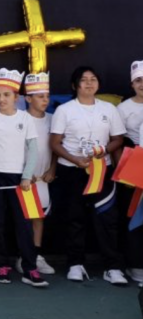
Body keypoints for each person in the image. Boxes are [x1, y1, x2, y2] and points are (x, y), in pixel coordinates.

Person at [50, 66, 128, 285]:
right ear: (75, 85)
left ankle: (112, 267)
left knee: (107, 218)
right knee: (74, 217)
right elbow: (54, 143)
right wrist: (76, 160)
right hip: (72, 170)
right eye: (83, 80)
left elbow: (118, 139)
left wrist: (104, 150)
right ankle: (75, 264)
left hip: (102, 170)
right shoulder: (65, 110)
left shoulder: (109, 109)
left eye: (93, 79)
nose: (89, 83)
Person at [0, 69, 46, 288]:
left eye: (6, 95)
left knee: (23, 225)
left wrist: (26, 175)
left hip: (19, 178)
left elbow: (33, 150)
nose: (1, 99)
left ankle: (29, 267)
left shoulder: (25, 118)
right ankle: (1, 266)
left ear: (17, 97)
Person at [22, 72, 57, 275]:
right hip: (25, 179)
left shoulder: (53, 119)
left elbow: (55, 147)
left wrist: (52, 168)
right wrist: (25, 174)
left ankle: (36, 255)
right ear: (28, 98)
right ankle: (24, 256)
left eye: (47, 96)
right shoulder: (20, 119)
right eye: (40, 96)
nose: (45, 100)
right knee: (24, 219)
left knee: (39, 217)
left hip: (44, 179)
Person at [117, 61, 143, 284]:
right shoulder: (123, 109)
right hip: (135, 172)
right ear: (132, 83)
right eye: (138, 80)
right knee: (135, 217)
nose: (142, 84)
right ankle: (136, 266)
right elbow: (118, 142)